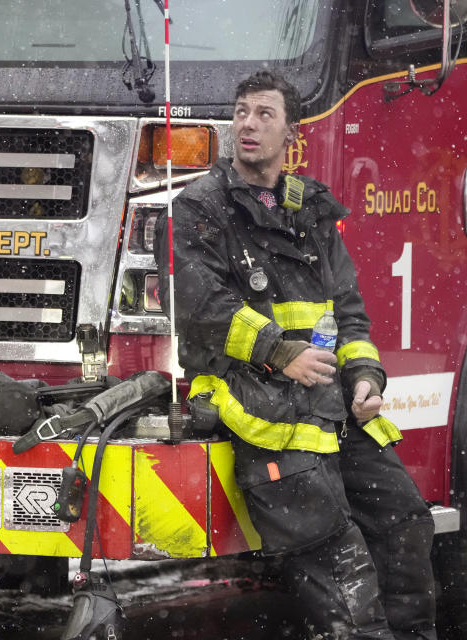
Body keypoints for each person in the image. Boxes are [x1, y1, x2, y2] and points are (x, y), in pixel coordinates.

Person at [153, 70, 437, 640]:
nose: (247, 125)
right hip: (254, 406)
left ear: (291, 134)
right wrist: (279, 353)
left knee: (404, 520)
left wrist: (363, 378)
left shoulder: (311, 210)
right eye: (240, 112)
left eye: (263, 114)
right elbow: (199, 305)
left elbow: (349, 312)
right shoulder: (199, 208)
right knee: (336, 552)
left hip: (331, 405)